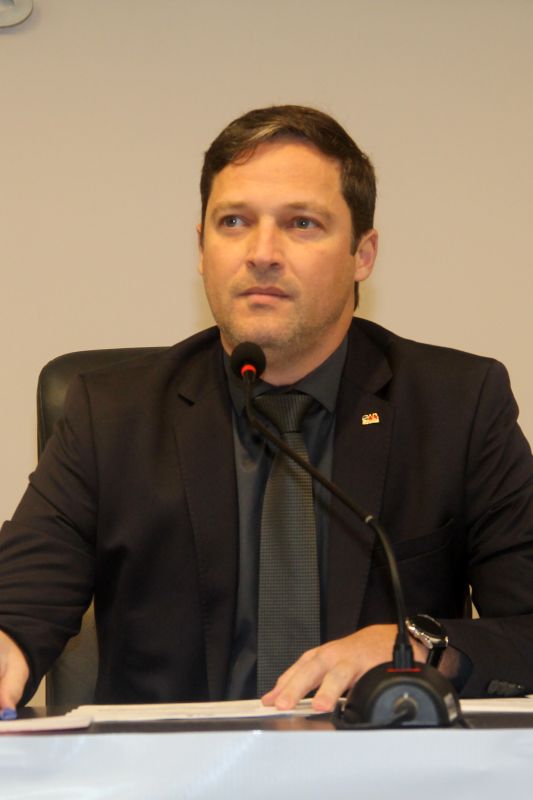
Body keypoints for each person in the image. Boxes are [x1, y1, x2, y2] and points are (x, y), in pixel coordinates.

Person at [1, 105, 532, 713]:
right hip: (174, 764)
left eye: (302, 223)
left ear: (363, 254)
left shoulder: (457, 406)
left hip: (380, 757)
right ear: (202, 248)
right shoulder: (111, 414)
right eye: (234, 222)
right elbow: (20, 602)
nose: (262, 253)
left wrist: (418, 646)